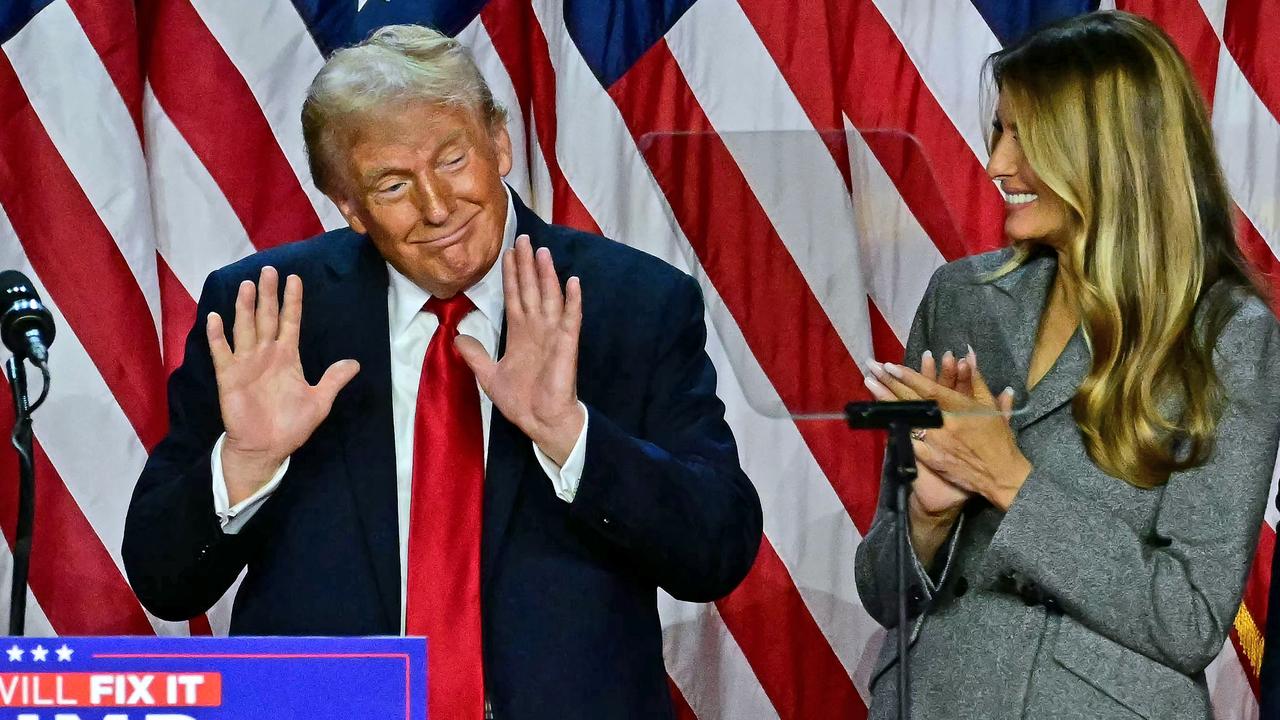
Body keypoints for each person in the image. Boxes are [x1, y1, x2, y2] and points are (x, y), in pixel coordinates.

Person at [122, 25, 762, 720]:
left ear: (499, 143)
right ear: (349, 206)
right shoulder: (273, 315)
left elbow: (716, 549)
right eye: (392, 184)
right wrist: (246, 461)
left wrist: (570, 433)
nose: (436, 207)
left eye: (452, 159)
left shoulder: (629, 304)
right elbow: (164, 579)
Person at [854, 11, 1280, 719]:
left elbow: (1190, 617)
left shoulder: (1228, 336)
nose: (996, 164)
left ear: (1115, 152)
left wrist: (1009, 481)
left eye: (1027, 137)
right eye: (1000, 130)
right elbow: (883, 590)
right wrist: (925, 523)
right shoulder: (959, 299)